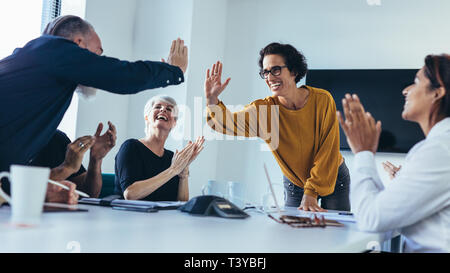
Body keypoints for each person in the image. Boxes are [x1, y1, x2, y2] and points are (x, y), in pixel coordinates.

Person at [0, 15, 188, 201]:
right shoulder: (54, 49)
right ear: (79, 43)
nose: (97, 63)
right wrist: (173, 70)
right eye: (97, 55)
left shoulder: (34, 66)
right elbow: (119, 74)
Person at [205, 42, 350, 212]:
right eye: (265, 72)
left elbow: (327, 151)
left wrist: (311, 192)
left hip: (333, 175)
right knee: (293, 232)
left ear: (294, 71)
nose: (270, 77)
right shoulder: (264, 111)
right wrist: (211, 99)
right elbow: (225, 123)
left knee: (334, 232)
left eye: (275, 70)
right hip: (295, 182)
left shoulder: (323, 100)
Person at [337, 54, 450, 252]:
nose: (406, 90)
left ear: (437, 92)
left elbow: (371, 218)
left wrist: (363, 152)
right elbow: (384, 211)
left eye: (415, 82)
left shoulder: (439, 150)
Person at [114, 95, 204, 201]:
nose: (163, 109)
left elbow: (181, 203)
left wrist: (183, 173)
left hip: (163, 217)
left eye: (169, 109)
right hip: (131, 216)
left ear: (174, 123)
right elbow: (130, 194)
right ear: (147, 118)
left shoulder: (173, 158)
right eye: (158, 107)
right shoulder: (131, 147)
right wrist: (173, 170)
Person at [30, 121, 117, 198]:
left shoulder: (55, 137)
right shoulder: (17, 139)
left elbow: (89, 194)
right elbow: (23, 191)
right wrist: (67, 168)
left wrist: (96, 160)